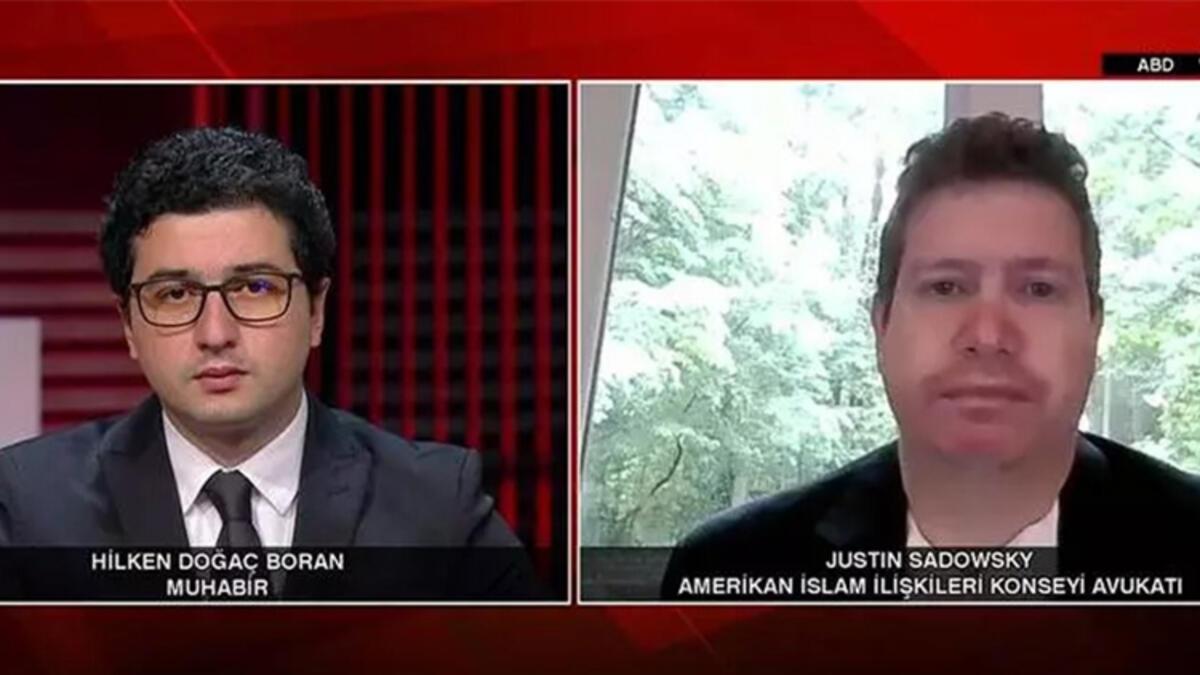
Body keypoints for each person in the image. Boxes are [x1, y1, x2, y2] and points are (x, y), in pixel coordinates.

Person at [661, 113, 1200, 600]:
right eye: (946, 287)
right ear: (882, 325)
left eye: (1038, 289)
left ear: (1094, 327)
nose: (988, 335)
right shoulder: (728, 573)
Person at [0, 127, 539, 600]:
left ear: (317, 309)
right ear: (128, 325)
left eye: (255, 287)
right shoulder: (29, 507)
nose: (215, 334)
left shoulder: (437, 507)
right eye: (175, 295)